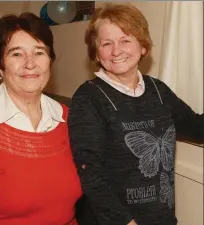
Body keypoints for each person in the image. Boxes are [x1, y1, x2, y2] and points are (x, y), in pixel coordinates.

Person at [69, 4, 204, 225]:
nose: (116, 51)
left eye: (125, 40)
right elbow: (90, 173)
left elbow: (196, 127)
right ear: (96, 52)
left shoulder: (158, 91)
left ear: (143, 46)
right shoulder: (89, 98)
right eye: (106, 43)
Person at [0, 13, 83, 224]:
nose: (30, 64)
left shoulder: (70, 120)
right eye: (16, 54)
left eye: (39, 52)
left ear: (50, 61)